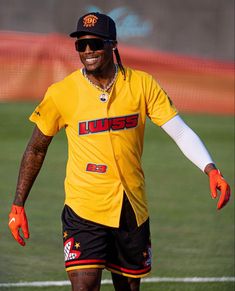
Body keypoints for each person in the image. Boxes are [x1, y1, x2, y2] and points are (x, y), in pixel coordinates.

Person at [8, 12, 231, 291]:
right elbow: (36, 149)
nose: (87, 51)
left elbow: (181, 131)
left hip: (131, 210)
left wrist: (210, 169)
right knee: (84, 286)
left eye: (95, 43)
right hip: (84, 209)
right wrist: (18, 204)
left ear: (113, 44)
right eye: (81, 45)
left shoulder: (142, 84)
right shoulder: (61, 93)